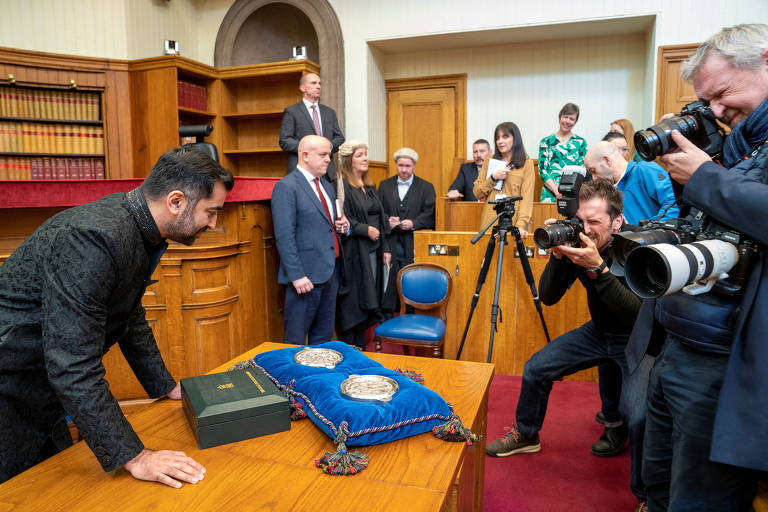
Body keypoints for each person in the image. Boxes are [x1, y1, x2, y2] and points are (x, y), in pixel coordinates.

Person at [0, 147, 234, 486]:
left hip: (41, 387)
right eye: (211, 212)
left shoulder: (133, 225)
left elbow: (128, 315)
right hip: (10, 385)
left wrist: (165, 386)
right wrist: (136, 457)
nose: (213, 224)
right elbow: (72, 363)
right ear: (176, 201)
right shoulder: (93, 239)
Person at [627, 24, 768, 511]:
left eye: (724, 93)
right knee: (658, 481)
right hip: (677, 341)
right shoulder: (743, 140)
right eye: (707, 101)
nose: (717, 111)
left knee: (702, 497)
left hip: (726, 361)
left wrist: (706, 178)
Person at [485, 179, 648, 510]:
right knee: (536, 368)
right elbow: (548, 296)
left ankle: (648, 494)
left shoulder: (637, 247)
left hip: (637, 338)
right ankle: (527, 434)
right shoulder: (582, 242)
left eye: (594, 223)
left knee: (640, 414)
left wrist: (597, 268)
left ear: (617, 221)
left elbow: (634, 311)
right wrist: (559, 255)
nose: (585, 229)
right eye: (581, 221)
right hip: (599, 331)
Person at [272, 135, 349, 346]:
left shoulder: (326, 185)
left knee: (323, 339)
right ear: (305, 155)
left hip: (330, 272)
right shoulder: (287, 187)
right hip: (304, 278)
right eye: (323, 155)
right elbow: (284, 235)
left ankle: (318, 378)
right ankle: (293, 380)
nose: (328, 160)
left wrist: (343, 225)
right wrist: (296, 275)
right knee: (296, 340)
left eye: (329, 156)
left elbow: (327, 224)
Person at [335, 140, 391, 349]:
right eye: (360, 155)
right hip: (355, 254)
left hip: (374, 254)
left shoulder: (369, 186)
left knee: (369, 302)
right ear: (349, 160)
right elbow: (342, 219)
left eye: (366, 154)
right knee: (356, 305)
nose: (365, 158)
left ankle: (362, 350)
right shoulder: (341, 186)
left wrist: (386, 248)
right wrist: (364, 229)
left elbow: (381, 218)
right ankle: (352, 350)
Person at [378, 147, 436, 312]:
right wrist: (388, 220)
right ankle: (387, 319)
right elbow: (378, 211)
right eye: (400, 165)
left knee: (411, 279)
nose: (403, 170)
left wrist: (414, 222)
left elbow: (430, 214)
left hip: (414, 243)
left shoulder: (426, 187)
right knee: (389, 283)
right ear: (396, 165)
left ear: (414, 166)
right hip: (391, 242)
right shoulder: (384, 185)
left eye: (407, 166)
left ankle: (411, 314)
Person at [585, 140, 679, 225]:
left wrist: (651, 231)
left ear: (607, 161)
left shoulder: (645, 170)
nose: (594, 178)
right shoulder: (610, 190)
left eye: (593, 171)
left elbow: (674, 203)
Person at [279, 72, 345, 182]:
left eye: (319, 83)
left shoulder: (329, 112)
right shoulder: (292, 111)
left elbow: (340, 138)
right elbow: (285, 140)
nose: (318, 86)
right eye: (313, 83)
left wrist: (327, 147)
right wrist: (310, 150)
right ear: (302, 88)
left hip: (326, 171)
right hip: (302, 170)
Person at [472, 122, 535, 235]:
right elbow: (477, 193)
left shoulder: (527, 164)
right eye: (497, 138)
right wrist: (493, 178)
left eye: (505, 137)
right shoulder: (489, 161)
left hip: (514, 220)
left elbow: (527, 199)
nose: (500, 141)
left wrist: (521, 225)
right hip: (490, 219)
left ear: (515, 139)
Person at [538, 103, 588, 202]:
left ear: (575, 122)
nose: (567, 121)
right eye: (565, 117)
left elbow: (582, 170)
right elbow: (542, 170)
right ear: (559, 117)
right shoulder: (546, 142)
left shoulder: (581, 142)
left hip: (572, 194)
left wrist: (567, 191)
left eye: (571, 119)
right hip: (549, 194)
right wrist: (556, 191)